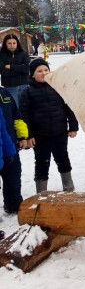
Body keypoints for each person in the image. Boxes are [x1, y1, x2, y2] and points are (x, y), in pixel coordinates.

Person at [19, 58, 79, 194]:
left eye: (46, 70)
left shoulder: (58, 88)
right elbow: (25, 116)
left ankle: (69, 187)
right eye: (39, 71)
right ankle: (41, 192)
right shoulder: (27, 92)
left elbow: (69, 107)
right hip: (40, 136)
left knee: (63, 158)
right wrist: (29, 135)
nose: (43, 73)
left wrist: (73, 126)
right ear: (32, 74)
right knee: (42, 162)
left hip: (60, 132)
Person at [0, 86, 28, 214]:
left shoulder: (4, 93)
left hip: (9, 143)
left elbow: (16, 115)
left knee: (13, 175)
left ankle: (14, 205)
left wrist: (22, 136)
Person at [0, 34, 30, 107]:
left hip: (24, 85)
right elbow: (3, 72)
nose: (12, 45)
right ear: (5, 44)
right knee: (14, 108)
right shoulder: (1, 55)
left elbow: (27, 68)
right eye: (9, 43)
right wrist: (20, 69)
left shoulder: (23, 54)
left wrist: (11, 66)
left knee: (25, 108)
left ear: (17, 43)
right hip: (10, 87)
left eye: (14, 43)